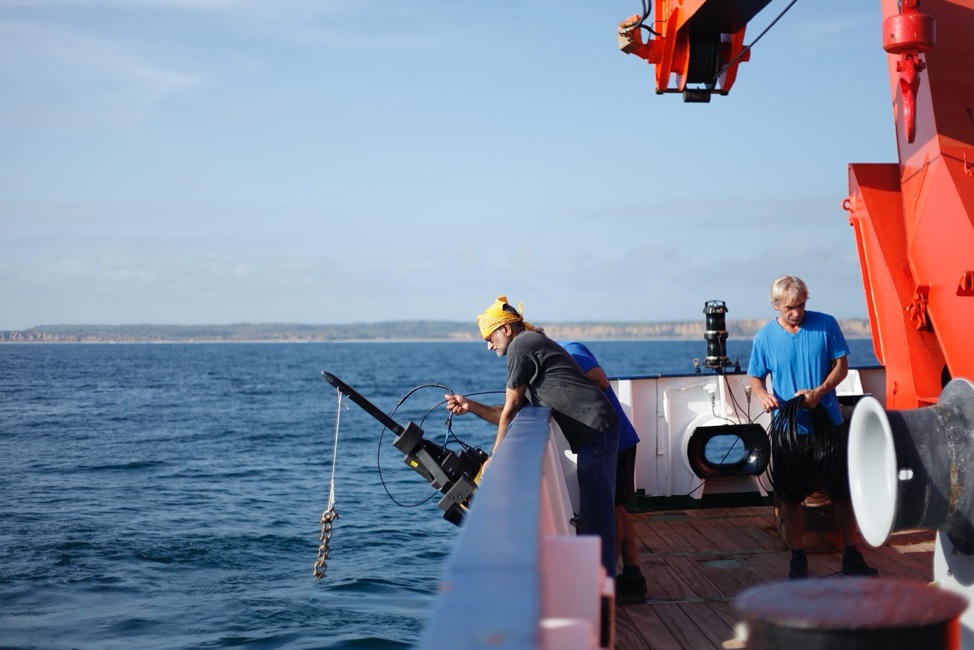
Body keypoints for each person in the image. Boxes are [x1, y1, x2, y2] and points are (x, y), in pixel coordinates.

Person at [444, 296, 620, 580]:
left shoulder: (522, 346)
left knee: (597, 514)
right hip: (597, 430)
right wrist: (471, 406)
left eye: (489, 337)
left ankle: (604, 591)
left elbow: (511, 408)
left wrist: (494, 457)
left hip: (595, 430)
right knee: (595, 510)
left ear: (506, 329)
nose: (489, 346)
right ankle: (602, 584)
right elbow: (512, 411)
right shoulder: (530, 346)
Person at [747, 275, 878, 579]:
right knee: (791, 497)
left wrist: (818, 393)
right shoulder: (765, 338)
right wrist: (763, 394)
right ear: (777, 305)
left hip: (827, 424)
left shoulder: (826, 324)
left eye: (802, 305)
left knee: (841, 492)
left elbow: (841, 367)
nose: (797, 312)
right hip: (789, 430)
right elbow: (755, 378)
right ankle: (797, 559)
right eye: (790, 307)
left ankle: (851, 555)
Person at [559, 340, 648, 603]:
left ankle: (615, 578)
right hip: (621, 440)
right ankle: (632, 576)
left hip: (615, 442)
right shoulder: (570, 348)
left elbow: (600, 380)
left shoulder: (570, 351)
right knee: (617, 509)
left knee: (611, 511)